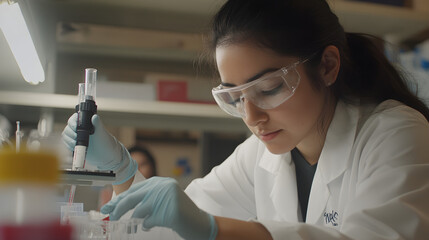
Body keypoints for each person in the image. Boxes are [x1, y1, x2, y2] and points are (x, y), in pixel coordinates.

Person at [62, 0, 429, 239]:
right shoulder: (259, 156)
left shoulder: (397, 133)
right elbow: (169, 229)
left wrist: (212, 230)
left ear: (328, 66)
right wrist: (124, 174)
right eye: (235, 97)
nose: (252, 117)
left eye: (269, 88)